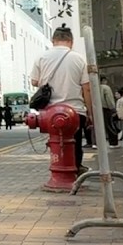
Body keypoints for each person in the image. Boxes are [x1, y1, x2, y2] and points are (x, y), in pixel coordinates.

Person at [29, 26, 91, 171]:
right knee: (75, 143)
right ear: (71, 41)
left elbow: (34, 81)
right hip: (75, 111)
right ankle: (75, 169)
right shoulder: (79, 58)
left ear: (53, 40)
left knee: (56, 141)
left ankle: (58, 169)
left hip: (50, 113)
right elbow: (87, 88)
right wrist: (90, 112)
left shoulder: (41, 57)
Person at [99, 76, 119, 145]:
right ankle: (114, 142)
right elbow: (109, 99)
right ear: (104, 80)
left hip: (99, 109)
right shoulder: (106, 88)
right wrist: (112, 108)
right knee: (110, 125)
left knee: (104, 126)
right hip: (107, 108)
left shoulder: (95, 87)